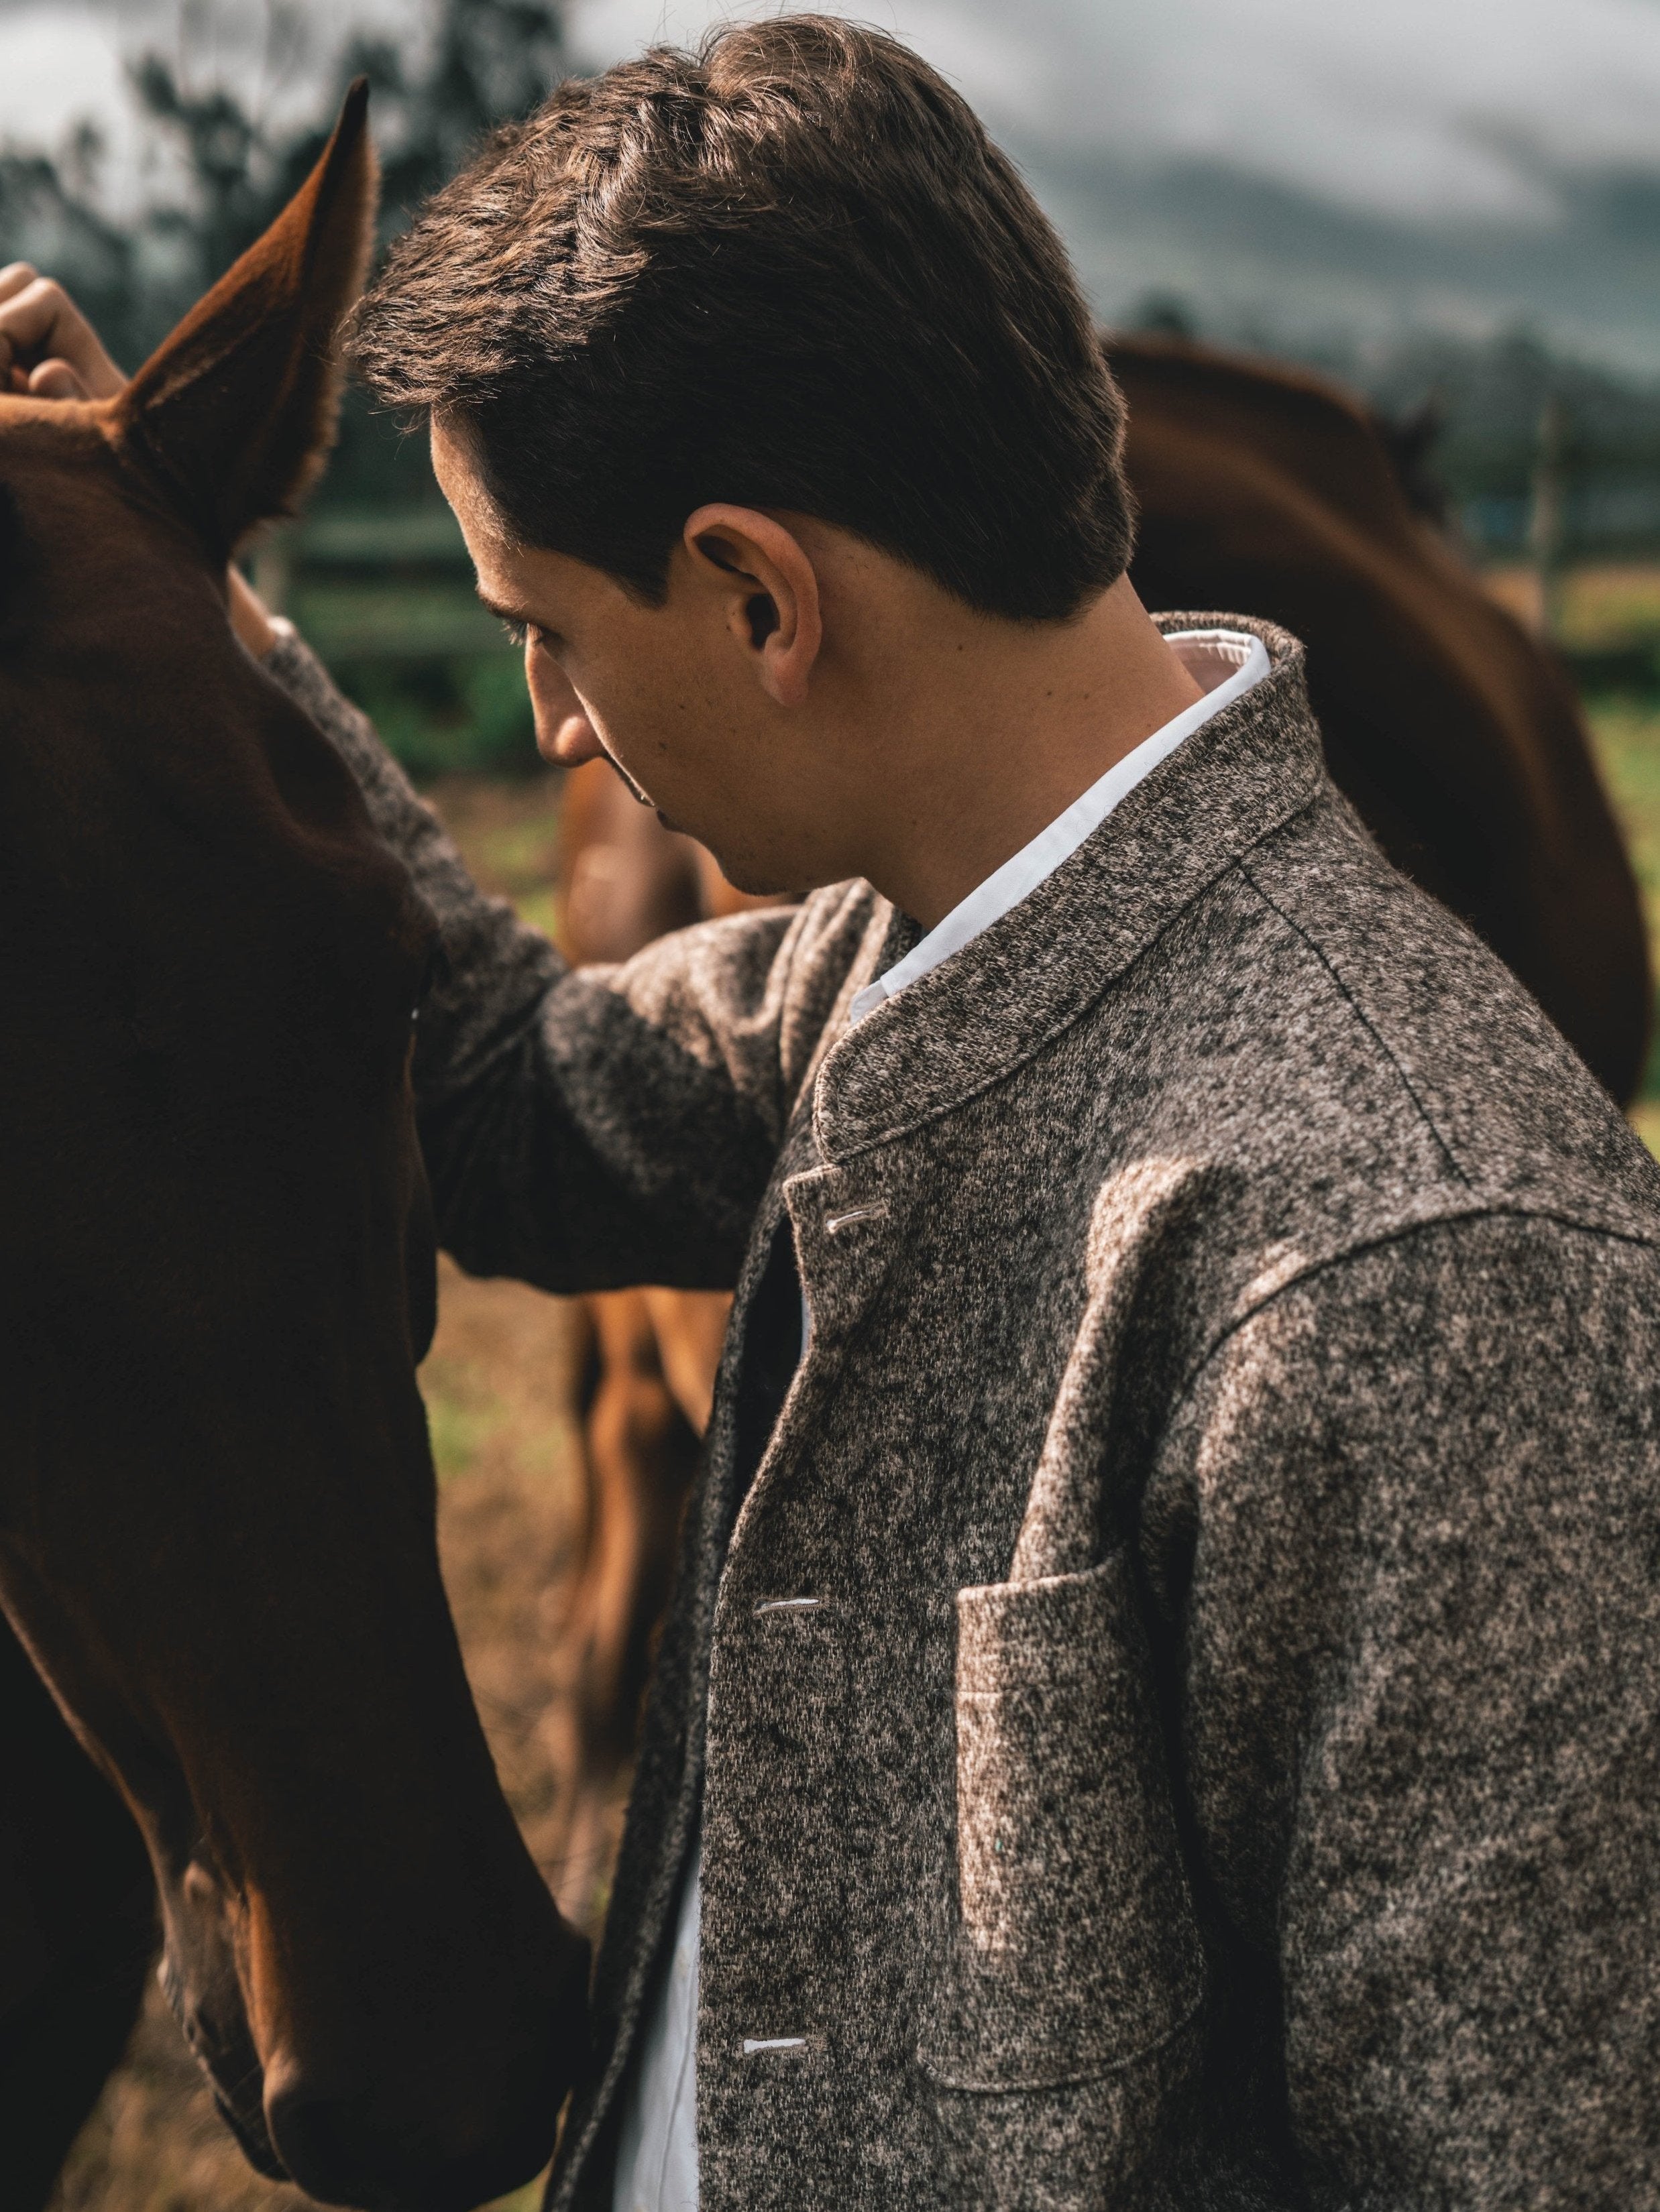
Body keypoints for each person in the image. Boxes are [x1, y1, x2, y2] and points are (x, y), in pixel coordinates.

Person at [9, 19, 1659, 2209]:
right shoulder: (887, 973)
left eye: (550, 635)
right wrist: (137, 569)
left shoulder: (1415, 1272)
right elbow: (501, 1086)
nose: (558, 733)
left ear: (760, 597)